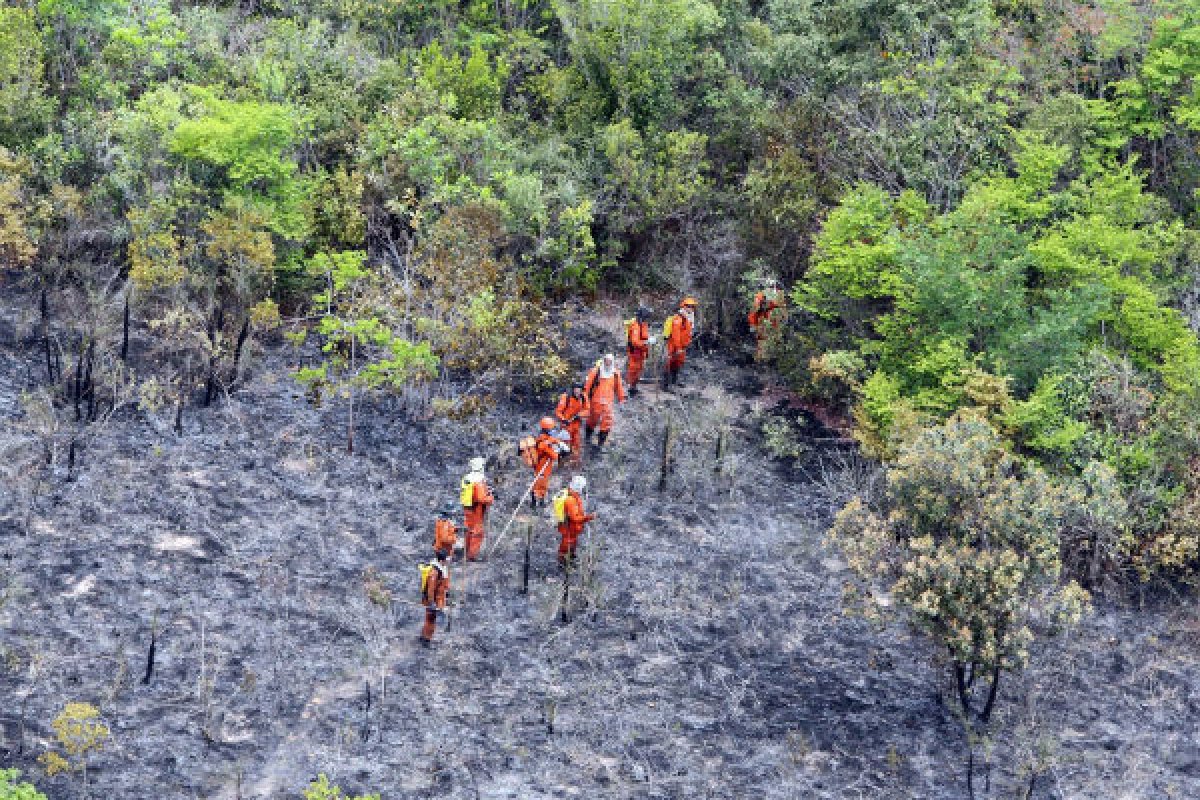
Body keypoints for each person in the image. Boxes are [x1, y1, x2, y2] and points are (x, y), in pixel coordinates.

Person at [583, 353, 626, 450]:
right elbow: (587, 386)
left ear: (612, 362)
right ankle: (587, 438)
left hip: (608, 403)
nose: (608, 363)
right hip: (595, 402)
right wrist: (584, 400)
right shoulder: (595, 371)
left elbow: (619, 388)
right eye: (606, 360)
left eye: (610, 361)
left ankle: (600, 444)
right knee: (592, 420)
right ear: (603, 360)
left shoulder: (615, 373)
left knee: (607, 423)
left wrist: (621, 400)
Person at [556, 475, 595, 567]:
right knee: (566, 544)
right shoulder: (571, 500)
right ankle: (562, 562)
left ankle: (571, 556)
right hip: (569, 527)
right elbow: (575, 518)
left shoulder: (572, 494)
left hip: (571, 527)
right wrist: (588, 517)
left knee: (573, 542)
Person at [460, 457, 494, 561]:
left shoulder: (467, 478)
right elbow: (481, 498)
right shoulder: (478, 480)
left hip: (468, 508)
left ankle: (466, 552)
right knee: (477, 532)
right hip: (476, 510)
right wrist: (490, 498)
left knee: (468, 530)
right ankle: (472, 556)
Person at [531, 417, 568, 508]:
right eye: (551, 428)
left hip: (545, 466)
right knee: (540, 484)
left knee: (544, 483)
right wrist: (561, 452)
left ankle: (541, 500)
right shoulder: (542, 443)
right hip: (542, 467)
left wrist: (558, 442)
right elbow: (554, 456)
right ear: (547, 429)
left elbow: (551, 440)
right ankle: (535, 502)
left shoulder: (544, 437)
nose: (553, 430)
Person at [663, 297, 698, 390]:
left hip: (682, 346)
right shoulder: (678, 319)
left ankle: (674, 381)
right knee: (669, 363)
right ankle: (665, 385)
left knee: (678, 363)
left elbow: (688, 332)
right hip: (674, 345)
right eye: (689, 306)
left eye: (692, 306)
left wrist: (687, 343)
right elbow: (675, 335)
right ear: (684, 306)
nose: (691, 308)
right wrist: (678, 348)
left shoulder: (689, 317)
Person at [419, 549, 450, 646]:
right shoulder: (434, 573)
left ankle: (424, 636)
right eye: (446, 559)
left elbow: (442, 585)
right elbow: (430, 589)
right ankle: (426, 639)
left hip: (437, 599)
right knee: (430, 620)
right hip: (432, 600)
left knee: (431, 619)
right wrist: (431, 602)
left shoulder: (441, 569)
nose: (448, 561)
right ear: (441, 560)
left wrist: (446, 594)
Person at [555, 384, 589, 465]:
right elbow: (558, 412)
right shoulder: (566, 397)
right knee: (564, 446)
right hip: (566, 427)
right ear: (573, 390)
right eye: (576, 389)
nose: (577, 392)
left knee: (576, 445)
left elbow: (587, 410)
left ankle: (574, 463)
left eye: (579, 390)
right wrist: (564, 419)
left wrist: (579, 415)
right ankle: (562, 463)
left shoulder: (583, 397)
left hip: (576, 426)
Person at [748, 283, 784, 358]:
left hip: (768, 316)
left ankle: (771, 353)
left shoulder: (776, 298)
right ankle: (760, 356)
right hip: (761, 317)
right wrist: (753, 325)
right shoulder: (759, 297)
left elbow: (780, 308)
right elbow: (754, 312)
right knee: (761, 337)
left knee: (769, 334)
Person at [624, 307, 654, 395]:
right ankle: (630, 389)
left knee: (638, 370)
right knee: (633, 370)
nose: (647, 319)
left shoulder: (643, 324)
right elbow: (635, 342)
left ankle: (634, 387)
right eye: (646, 317)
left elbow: (644, 337)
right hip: (635, 352)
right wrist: (647, 342)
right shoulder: (636, 326)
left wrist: (647, 349)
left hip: (641, 352)